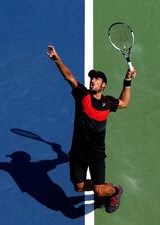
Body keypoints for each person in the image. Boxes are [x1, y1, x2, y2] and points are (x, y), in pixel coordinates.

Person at [46, 45, 136, 213]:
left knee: (99, 191)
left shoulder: (108, 103)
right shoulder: (83, 95)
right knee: (79, 188)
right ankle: (101, 187)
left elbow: (124, 102)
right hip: (78, 153)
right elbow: (70, 77)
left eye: (96, 79)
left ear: (104, 85)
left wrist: (127, 81)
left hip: (96, 154)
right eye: (91, 78)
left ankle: (115, 191)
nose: (92, 80)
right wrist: (57, 60)